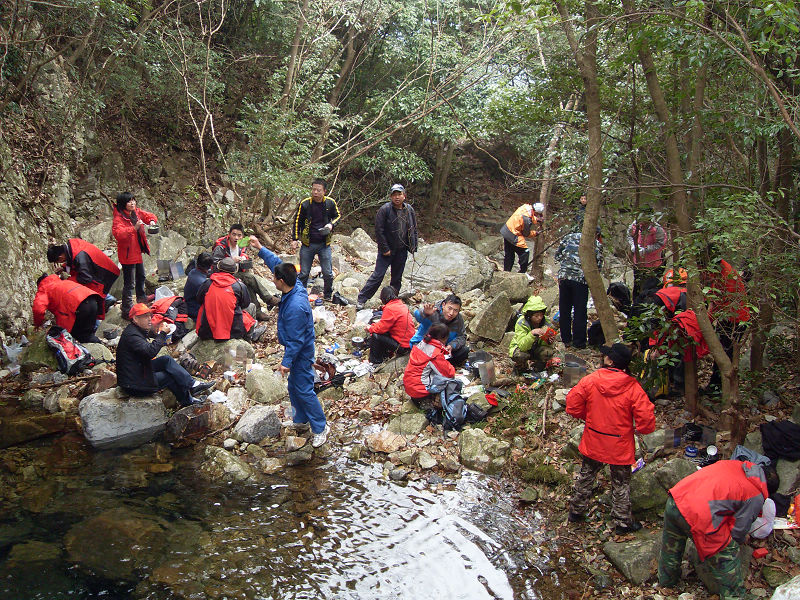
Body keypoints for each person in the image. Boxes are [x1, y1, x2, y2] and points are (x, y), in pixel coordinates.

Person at [249, 235, 329, 448]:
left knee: (303, 388)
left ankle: (321, 426)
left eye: (274, 278)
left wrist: (286, 362)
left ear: (281, 281)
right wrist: (260, 248)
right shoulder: (296, 285)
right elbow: (278, 264)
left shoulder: (295, 307)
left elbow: (296, 341)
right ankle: (301, 420)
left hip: (301, 351)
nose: (272, 279)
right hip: (298, 346)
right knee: (294, 387)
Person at [566, 343, 655, 533]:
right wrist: (639, 430)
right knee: (621, 484)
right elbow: (647, 420)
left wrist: (589, 417)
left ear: (609, 360)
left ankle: (576, 511)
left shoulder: (591, 380)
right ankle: (622, 523)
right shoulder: (632, 387)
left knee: (586, 475)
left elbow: (572, 405)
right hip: (620, 443)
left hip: (594, 439)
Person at [658, 460, 779, 599]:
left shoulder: (736, 464)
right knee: (727, 550)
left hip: (677, 498)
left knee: (672, 545)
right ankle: (734, 595)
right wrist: (741, 539)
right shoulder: (756, 494)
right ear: (768, 491)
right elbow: (737, 532)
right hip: (699, 515)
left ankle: (666, 581)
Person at [117, 303, 214, 407]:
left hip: (137, 371)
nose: (150, 319)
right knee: (170, 376)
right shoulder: (132, 335)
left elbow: (147, 347)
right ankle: (188, 400)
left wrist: (160, 331)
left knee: (166, 360)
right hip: (134, 384)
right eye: (145, 317)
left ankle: (192, 385)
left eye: (150, 315)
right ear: (135, 319)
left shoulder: (135, 329)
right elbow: (150, 352)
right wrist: (162, 334)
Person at [356, 184, 418, 310]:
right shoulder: (385, 210)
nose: (397, 197)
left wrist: (413, 245)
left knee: (397, 278)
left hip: (402, 249)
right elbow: (379, 230)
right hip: (387, 250)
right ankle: (362, 299)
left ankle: (392, 303)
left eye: (399, 194)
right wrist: (385, 249)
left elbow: (413, 228)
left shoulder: (409, 210)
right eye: (394, 195)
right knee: (378, 275)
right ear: (390, 197)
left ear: (404, 196)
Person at [700, 251, 750, 395]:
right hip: (728, 317)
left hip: (735, 319)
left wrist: (707, 320)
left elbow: (719, 302)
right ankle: (717, 387)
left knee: (725, 354)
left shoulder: (726, 275)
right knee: (722, 352)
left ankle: (719, 389)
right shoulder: (719, 269)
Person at [212, 223, 278, 319]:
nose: (236, 237)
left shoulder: (241, 244)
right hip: (223, 276)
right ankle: (269, 300)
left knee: (249, 283)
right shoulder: (221, 247)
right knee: (249, 278)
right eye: (234, 234)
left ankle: (257, 311)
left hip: (237, 273)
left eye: (239, 235)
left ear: (242, 236)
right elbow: (215, 266)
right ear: (229, 234)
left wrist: (244, 257)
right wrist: (231, 260)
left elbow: (244, 253)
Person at [291, 178, 341, 300]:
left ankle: (328, 295)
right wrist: (295, 238)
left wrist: (331, 225)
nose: (315, 193)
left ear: (324, 191)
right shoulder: (305, 204)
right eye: (313, 189)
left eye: (318, 190)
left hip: (324, 244)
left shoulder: (330, 203)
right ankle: (301, 295)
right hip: (308, 244)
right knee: (303, 273)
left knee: (328, 273)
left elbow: (338, 216)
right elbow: (297, 221)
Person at [195, 257, 266, 342]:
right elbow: (245, 304)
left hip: (207, 331)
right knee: (252, 306)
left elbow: (199, 299)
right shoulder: (239, 286)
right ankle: (248, 339)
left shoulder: (207, 284)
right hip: (233, 331)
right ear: (234, 271)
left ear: (218, 268)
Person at [555, 226, 603, 349]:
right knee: (580, 311)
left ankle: (565, 339)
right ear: (597, 234)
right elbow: (597, 267)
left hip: (564, 277)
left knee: (564, 309)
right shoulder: (596, 244)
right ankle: (579, 342)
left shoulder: (569, 237)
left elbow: (558, 256)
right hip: (580, 281)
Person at [47, 239, 120, 319]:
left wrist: (68, 282)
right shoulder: (72, 247)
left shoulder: (80, 257)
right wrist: (64, 267)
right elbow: (74, 261)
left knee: (95, 292)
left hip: (105, 272)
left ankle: (107, 304)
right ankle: (108, 301)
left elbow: (86, 278)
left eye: (59, 261)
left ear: (60, 257)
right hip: (98, 267)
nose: (61, 262)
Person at [112, 192, 157, 318]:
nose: (132, 203)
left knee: (141, 276)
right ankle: (126, 309)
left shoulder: (136, 212)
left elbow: (148, 215)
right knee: (129, 283)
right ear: (123, 204)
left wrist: (152, 221)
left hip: (136, 252)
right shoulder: (118, 218)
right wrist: (134, 228)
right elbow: (119, 235)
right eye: (129, 201)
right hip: (127, 256)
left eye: (133, 200)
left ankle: (142, 299)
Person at [33, 274, 103, 344]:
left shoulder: (44, 289)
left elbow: (38, 309)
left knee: (76, 335)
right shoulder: (63, 282)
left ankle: (96, 350)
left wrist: (38, 324)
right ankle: (100, 347)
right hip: (92, 300)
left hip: (79, 308)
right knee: (88, 333)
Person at [403, 323, 455, 409]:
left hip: (409, 387)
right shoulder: (434, 354)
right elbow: (448, 373)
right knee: (448, 382)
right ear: (443, 338)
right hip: (420, 392)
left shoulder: (422, 343)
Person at [408, 294, 469, 367]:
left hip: (443, 349)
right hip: (424, 347)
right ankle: (439, 366)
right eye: (449, 308)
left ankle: (441, 366)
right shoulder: (433, 311)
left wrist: (452, 346)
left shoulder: (458, 320)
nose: (451, 313)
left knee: (464, 351)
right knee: (430, 359)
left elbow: (462, 337)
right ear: (443, 305)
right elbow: (417, 315)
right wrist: (425, 313)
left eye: (455, 310)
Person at [366, 286, 416, 365]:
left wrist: (370, 328)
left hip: (402, 347)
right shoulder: (401, 305)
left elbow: (381, 328)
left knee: (376, 335)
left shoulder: (390, 309)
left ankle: (375, 361)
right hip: (409, 343)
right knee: (383, 333)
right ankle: (385, 354)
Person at [509, 295, 556, 372]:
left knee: (548, 352)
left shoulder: (546, 322)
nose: (539, 318)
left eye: (541, 315)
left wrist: (549, 341)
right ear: (529, 316)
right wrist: (532, 334)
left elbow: (545, 345)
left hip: (536, 348)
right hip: (521, 348)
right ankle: (520, 368)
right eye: (536, 316)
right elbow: (522, 346)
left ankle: (538, 369)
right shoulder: (522, 323)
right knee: (520, 355)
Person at [627, 218, 667, 298]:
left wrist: (646, 249)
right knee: (638, 285)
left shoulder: (657, 229)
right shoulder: (634, 226)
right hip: (638, 263)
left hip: (653, 263)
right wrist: (633, 245)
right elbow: (629, 236)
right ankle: (636, 305)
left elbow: (661, 244)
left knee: (651, 286)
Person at [500, 202, 544, 273]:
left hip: (506, 230)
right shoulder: (527, 219)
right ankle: (522, 272)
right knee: (525, 252)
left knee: (509, 254)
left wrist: (537, 220)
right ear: (535, 211)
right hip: (513, 235)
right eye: (538, 214)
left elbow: (528, 216)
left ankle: (506, 272)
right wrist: (535, 233)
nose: (538, 215)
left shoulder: (525, 207)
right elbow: (526, 233)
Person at [184, 251, 213, 320]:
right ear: (210, 266)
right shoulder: (202, 283)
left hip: (188, 303)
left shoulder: (192, 272)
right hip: (194, 310)